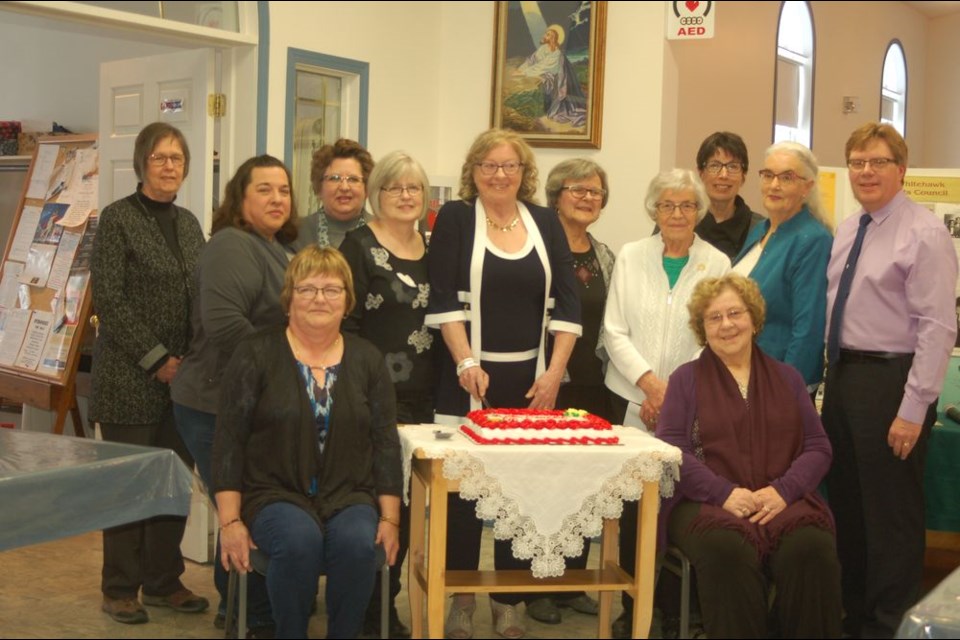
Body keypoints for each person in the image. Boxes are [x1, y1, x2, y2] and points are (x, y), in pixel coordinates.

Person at [425, 128, 582, 639]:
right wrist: (465, 361)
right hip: (468, 378)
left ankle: (510, 600)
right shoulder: (454, 218)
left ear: (524, 172)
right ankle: (462, 599)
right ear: (474, 171)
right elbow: (443, 298)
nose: (499, 174)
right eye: (489, 165)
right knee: (465, 496)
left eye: (509, 166)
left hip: (533, 382)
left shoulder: (543, 221)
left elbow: (568, 303)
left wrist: (555, 374)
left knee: (521, 494)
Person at [213, 246, 402, 639]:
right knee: (298, 542)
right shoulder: (255, 353)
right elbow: (229, 441)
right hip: (273, 493)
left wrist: (390, 519)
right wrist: (229, 522)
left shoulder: (368, 360)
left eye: (332, 290)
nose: (320, 298)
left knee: (356, 545)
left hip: (350, 494)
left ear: (348, 301)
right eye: (308, 289)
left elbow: (385, 444)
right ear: (289, 298)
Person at [822, 123, 958, 638]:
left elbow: (938, 329)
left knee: (891, 517)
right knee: (851, 509)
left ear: (902, 170)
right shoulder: (849, 227)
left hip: (891, 382)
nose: (865, 171)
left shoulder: (924, 232)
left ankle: (887, 625)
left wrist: (913, 407)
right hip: (846, 379)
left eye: (878, 162)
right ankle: (855, 617)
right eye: (857, 161)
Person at [658, 273, 841, 638]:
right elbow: (672, 450)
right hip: (704, 503)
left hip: (780, 499)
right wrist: (724, 493)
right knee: (729, 549)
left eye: (735, 313)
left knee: (811, 546)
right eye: (714, 317)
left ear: (754, 320)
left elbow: (819, 447)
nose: (727, 325)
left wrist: (783, 491)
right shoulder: (685, 379)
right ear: (702, 328)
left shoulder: (788, 378)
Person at [172, 154, 300, 635]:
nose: (276, 199)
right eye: (264, 189)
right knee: (239, 510)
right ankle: (246, 615)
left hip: (257, 403)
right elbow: (228, 328)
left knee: (252, 505)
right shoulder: (230, 244)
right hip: (214, 404)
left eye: (283, 190)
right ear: (240, 198)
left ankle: (249, 609)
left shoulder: (279, 248)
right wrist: (287, 373)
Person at [90, 122, 209, 624]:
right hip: (128, 379)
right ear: (142, 163)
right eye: (160, 157)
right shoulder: (117, 220)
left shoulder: (188, 222)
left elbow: (200, 293)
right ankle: (120, 587)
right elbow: (110, 301)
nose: (169, 167)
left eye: (177, 159)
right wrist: (158, 358)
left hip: (183, 382)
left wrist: (191, 362)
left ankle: (164, 581)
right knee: (127, 486)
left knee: (171, 484)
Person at [603, 169, 729, 637]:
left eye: (687, 206)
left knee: (679, 504)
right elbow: (613, 329)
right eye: (667, 206)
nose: (677, 214)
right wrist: (649, 385)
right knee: (635, 510)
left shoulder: (717, 263)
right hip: (631, 402)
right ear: (653, 210)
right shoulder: (632, 256)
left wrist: (673, 392)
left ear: (699, 211)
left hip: (691, 407)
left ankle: (678, 608)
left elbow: (715, 333)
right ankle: (633, 609)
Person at [340, 150, 434, 639]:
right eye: (395, 187)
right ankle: (363, 611)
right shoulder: (357, 245)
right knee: (376, 505)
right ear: (377, 193)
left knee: (412, 510)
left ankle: (388, 606)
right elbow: (346, 323)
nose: (405, 195)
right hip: (371, 397)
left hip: (426, 403)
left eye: (414, 188)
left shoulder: (434, 246)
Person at [523, 158, 615, 626]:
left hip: (593, 385)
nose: (587, 197)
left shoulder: (605, 254)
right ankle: (536, 586)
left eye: (596, 191)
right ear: (555, 194)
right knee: (541, 485)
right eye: (577, 189)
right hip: (542, 381)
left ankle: (572, 580)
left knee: (582, 487)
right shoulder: (536, 245)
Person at [733, 142, 833, 393]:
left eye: (787, 177)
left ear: (807, 187)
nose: (774, 185)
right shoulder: (762, 229)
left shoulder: (812, 239)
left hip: (778, 382)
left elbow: (808, 327)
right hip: (744, 374)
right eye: (768, 175)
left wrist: (785, 390)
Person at [693, 131, 763, 259]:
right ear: (701, 173)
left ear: (744, 176)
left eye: (732, 166)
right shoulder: (681, 221)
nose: (723, 175)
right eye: (714, 166)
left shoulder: (760, 230)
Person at [297, 138, 374, 249]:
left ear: (367, 188)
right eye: (334, 178)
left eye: (353, 179)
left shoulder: (384, 232)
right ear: (319, 187)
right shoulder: (298, 234)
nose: (344, 187)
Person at [513, 24, 586, 127]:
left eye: (547, 35)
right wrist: (520, 69)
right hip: (543, 73)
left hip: (555, 79)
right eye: (545, 34)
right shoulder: (542, 49)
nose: (544, 36)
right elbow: (531, 60)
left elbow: (542, 66)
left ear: (553, 38)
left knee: (546, 84)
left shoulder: (556, 53)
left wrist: (524, 72)